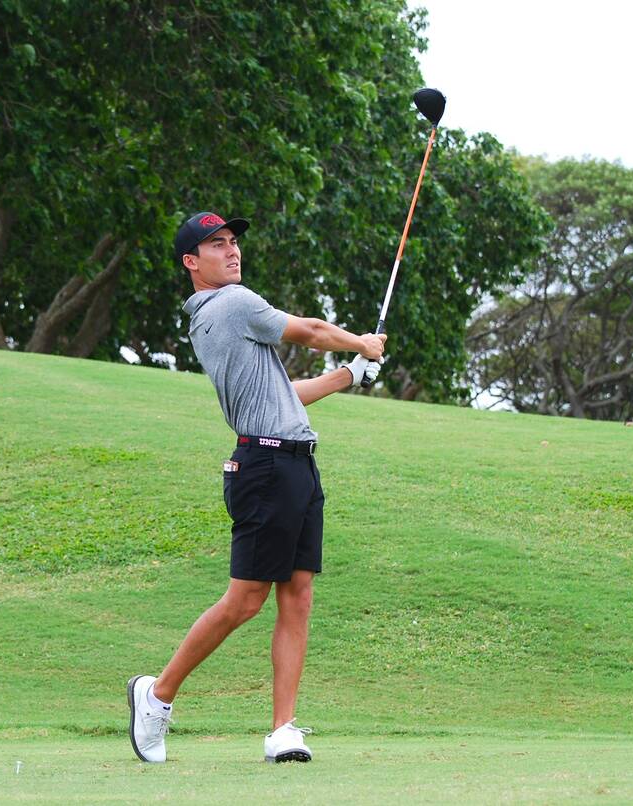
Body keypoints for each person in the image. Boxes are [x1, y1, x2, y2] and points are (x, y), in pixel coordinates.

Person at [127, 212, 385, 764]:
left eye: (234, 242)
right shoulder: (232, 304)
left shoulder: (218, 315)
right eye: (216, 245)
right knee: (246, 600)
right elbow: (313, 332)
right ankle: (156, 695)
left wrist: (347, 376)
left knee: (298, 596)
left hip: (293, 465)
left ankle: (283, 730)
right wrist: (361, 343)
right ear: (191, 263)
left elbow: (282, 393)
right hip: (265, 467)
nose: (232, 251)